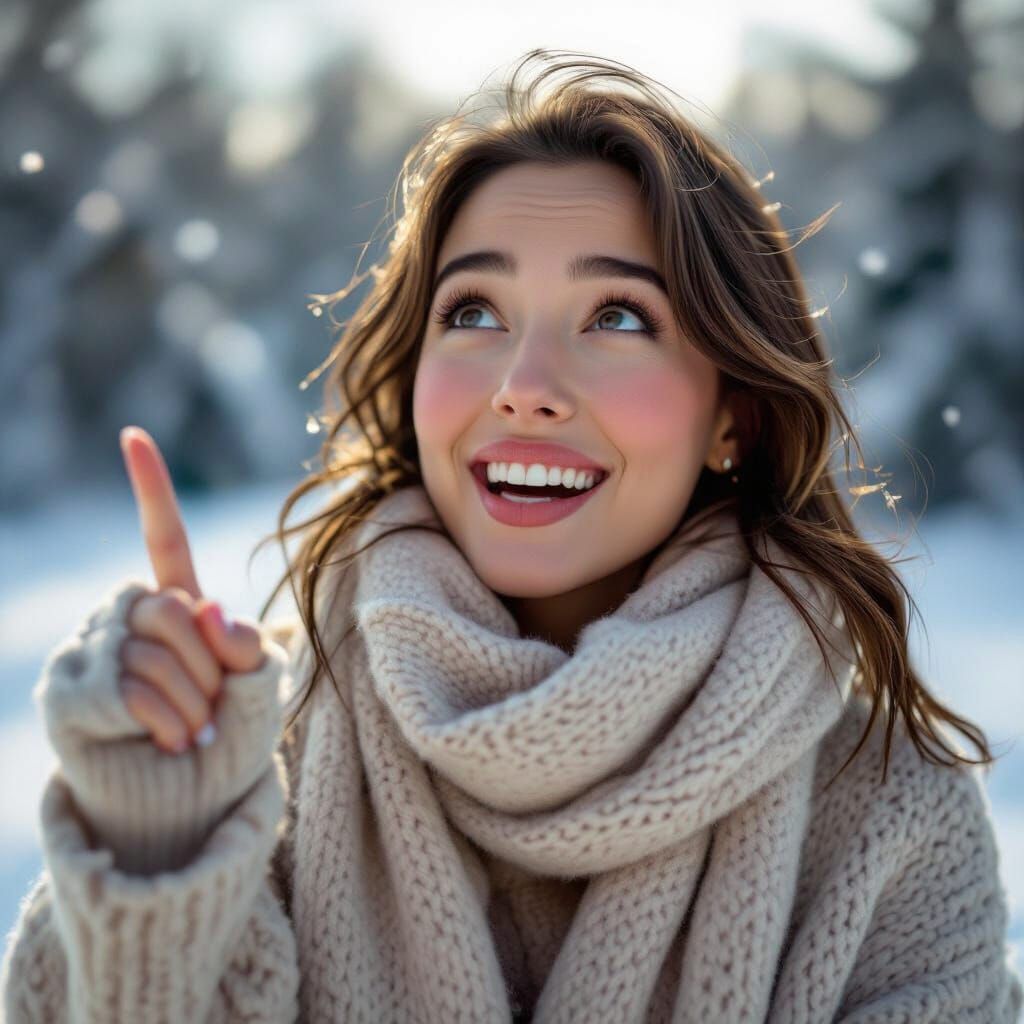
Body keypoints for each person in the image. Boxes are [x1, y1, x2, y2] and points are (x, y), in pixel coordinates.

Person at [2, 48, 1021, 1024]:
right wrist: (158, 849)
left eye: (616, 317)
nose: (523, 386)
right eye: (475, 309)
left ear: (734, 414)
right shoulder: (253, 770)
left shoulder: (895, 823)